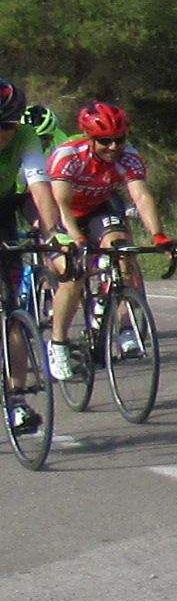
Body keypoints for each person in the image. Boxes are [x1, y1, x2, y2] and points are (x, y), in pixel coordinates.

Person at [45, 102, 176, 382]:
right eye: (105, 141)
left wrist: (158, 235)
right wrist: (77, 240)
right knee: (73, 275)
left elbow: (140, 197)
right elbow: (61, 205)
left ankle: (125, 325)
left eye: (119, 139)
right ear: (89, 138)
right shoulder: (68, 156)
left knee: (122, 249)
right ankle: (58, 344)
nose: (113, 147)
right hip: (64, 213)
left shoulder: (128, 156)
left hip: (98, 208)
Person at [0, 82, 66, 431]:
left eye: (8, 126)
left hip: (5, 207)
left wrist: (54, 234)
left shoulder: (26, 137)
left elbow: (39, 187)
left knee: (14, 311)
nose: (3, 134)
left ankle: (17, 400)